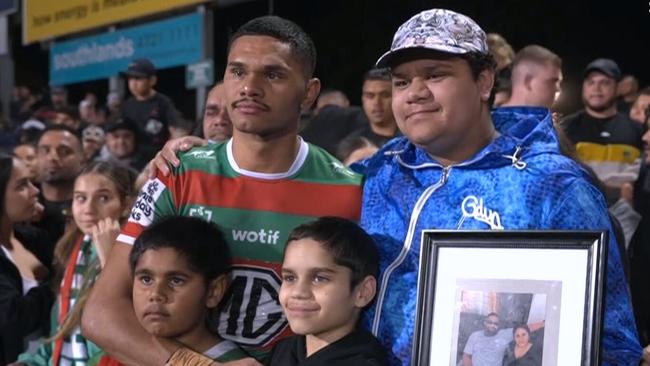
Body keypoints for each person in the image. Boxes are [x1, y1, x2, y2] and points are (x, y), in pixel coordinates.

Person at [357, 9, 641, 366]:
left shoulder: (554, 187)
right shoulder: (379, 170)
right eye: (401, 82)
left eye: (434, 75)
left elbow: (612, 342)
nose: (414, 93)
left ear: (485, 82)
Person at [82, 15, 362, 366]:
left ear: (309, 93)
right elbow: (101, 313)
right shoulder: (176, 173)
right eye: (238, 72)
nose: (249, 87)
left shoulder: (349, 192)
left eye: (272, 74)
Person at [15, 161, 135, 366]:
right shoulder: (75, 249)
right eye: (80, 198)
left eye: (103, 198)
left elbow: (128, 338)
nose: (88, 209)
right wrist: (28, 362)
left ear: (126, 205)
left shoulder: (141, 254)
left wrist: (111, 261)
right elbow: (61, 333)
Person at [266, 217, 387, 366]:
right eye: (290, 278)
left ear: (363, 292)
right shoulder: (284, 350)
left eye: (319, 278)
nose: (298, 292)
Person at [130, 216, 248, 362]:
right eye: (146, 280)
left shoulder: (234, 363)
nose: (156, 294)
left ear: (213, 291)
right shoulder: (118, 352)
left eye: (176, 281)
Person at [0, 154, 54, 365]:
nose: (35, 191)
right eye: (22, 186)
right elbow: (11, 319)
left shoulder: (33, 237)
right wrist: (58, 287)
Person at [560, 58, 643, 191]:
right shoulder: (566, 127)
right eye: (591, 82)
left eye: (604, 83)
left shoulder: (637, 130)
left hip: (625, 208)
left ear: (617, 88)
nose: (596, 88)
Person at [120, 58, 180, 159]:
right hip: (132, 159)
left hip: (157, 157)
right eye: (130, 78)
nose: (133, 83)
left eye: (138, 78)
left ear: (152, 80)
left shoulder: (163, 102)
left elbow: (176, 130)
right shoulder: (127, 105)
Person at [35, 125, 86, 242]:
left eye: (64, 151)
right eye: (45, 150)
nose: (53, 157)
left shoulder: (91, 206)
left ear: (82, 160)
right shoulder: (19, 202)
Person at [346, 68, 398, 148]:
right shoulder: (354, 144)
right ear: (363, 99)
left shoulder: (413, 138)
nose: (377, 103)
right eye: (370, 96)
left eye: (384, 95)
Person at [501, 45, 562, 109]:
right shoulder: (493, 118)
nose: (558, 89)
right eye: (552, 82)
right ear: (528, 82)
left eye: (559, 82)